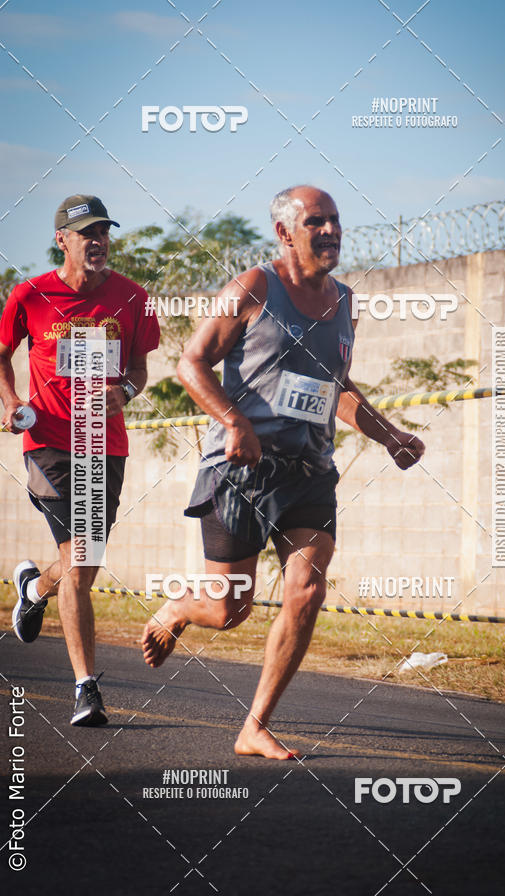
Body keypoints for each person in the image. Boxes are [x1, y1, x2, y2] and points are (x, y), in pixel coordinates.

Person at [142, 185, 424, 759]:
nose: (330, 231)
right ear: (284, 232)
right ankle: (179, 608)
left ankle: (255, 726)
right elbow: (189, 360)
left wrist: (389, 433)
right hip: (242, 471)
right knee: (228, 609)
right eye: (316, 221)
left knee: (307, 588)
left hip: (310, 472)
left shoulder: (345, 301)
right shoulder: (254, 287)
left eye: (336, 220)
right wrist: (235, 422)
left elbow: (336, 390)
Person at [0, 194, 160, 726]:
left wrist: (127, 393)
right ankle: (86, 689)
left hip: (104, 443)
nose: (97, 241)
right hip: (46, 440)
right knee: (82, 556)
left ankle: (33, 588)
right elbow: (1, 353)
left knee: (81, 564)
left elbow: (139, 367)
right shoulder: (31, 294)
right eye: (85, 232)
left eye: (103, 232)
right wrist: (11, 401)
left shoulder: (133, 298)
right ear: (61, 240)